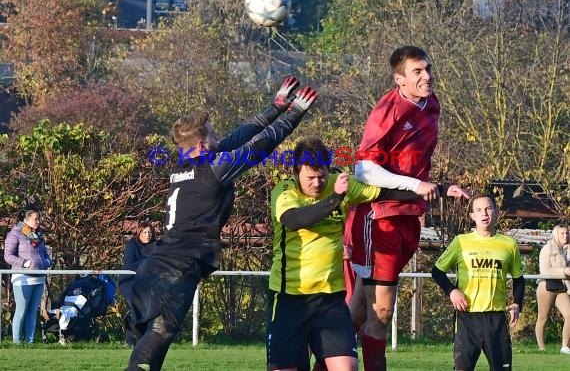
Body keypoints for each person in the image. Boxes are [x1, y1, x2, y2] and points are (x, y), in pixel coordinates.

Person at [125, 76, 317, 371]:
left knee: (153, 337)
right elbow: (258, 146)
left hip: (153, 265)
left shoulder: (183, 166)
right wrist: (294, 114)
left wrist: (275, 107)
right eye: (214, 135)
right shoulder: (214, 168)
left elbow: (238, 138)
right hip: (178, 267)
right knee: (160, 333)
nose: (220, 138)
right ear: (202, 144)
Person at [346, 45, 470, 370]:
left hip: (408, 216)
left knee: (359, 310)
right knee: (381, 312)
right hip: (379, 218)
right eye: (418, 71)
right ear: (399, 78)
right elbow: (364, 169)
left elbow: (413, 164)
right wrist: (416, 186)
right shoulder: (387, 111)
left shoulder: (431, 104)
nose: (427, 76)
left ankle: (326, 363)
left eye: (428, 68)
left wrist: (441, 188)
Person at [267, 137, 420, 371]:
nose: (317, 183)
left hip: (331, 299)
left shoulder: (341, 183)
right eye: (310, 178)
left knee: (347, 368)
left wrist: (428, 188)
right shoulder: (285, 191)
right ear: (296, 172)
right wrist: (335, 198)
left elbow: (383, 192)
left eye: (322, 176)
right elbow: (294, 220)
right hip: (290, 298)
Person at [431, 193, 525, 371]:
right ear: (472, 216)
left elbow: (519, 279)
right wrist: (452, 291)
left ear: (496, 212)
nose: (484, 213)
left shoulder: (509, 245)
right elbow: (437, 271)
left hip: (496, 319)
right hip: (467, 318)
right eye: (479, 210)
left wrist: (517, 303)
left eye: (489, 208)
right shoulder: (461, 242)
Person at [3, 209, 52, 344]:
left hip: (39, 278)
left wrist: (47, 262)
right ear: (26, 220)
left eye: (38, 219)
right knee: (21, 311)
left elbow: (45, 254)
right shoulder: (15, 234)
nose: (38, 222)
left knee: (32, 312)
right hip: (23, 279)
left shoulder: (38, 234)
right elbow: (8, 256)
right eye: (35, 219)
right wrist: (25, 263)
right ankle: (16, 343)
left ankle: (29, 343)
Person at [119, 221, 158, 345]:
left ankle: (142, 340)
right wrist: (149, 262)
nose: (147, 235)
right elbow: (130, 265)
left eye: (150, 232)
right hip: (129, 282)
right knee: (138, 308)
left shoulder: (155, 245)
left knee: (149, 311)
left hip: (147, 283)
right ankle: (130, 341)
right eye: (145, 232)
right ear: (139, 233)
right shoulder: (131, 245)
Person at [534, 224, 570, 354]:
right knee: (543, 318)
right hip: (546, 286)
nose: (565, 236)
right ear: (556, 235)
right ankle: (541, 348)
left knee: (569, 314)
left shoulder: (567, 250)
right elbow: (544, 270)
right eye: (562, 233)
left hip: (561, 287)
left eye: (567, 233)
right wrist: (564, 271)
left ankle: (564, 347)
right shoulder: (547, 249)